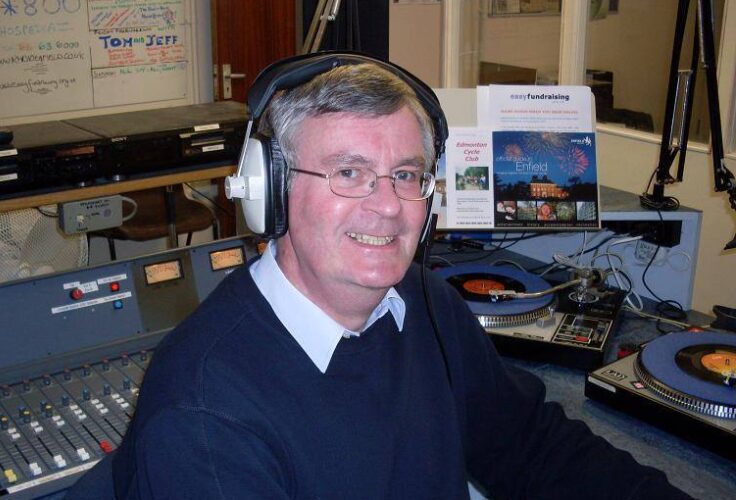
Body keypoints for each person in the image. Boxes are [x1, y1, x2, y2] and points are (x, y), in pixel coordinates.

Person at [108, 54, 691, 499]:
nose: (388, 205)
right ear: (271, 191)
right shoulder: (205, 417)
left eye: (407, 175)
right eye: (349, 172)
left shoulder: (423, 303)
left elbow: (531, 446)